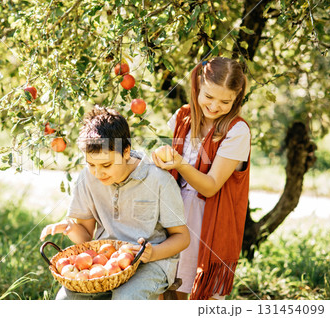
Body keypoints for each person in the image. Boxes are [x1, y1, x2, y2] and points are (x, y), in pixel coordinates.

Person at [40, 106, 190, 300]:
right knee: (66, 300)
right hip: (105, 260)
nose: (98, 173)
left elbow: (182, 237)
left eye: (106, 165)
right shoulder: (88, 177)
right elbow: (86, 239)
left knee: (125, 299)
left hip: (151, 263)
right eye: (91, 164)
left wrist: (152, 254)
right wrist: (70, 228)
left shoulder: (159, 180)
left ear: (126, 152)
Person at [152, 57, 251, 300]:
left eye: (225, 101)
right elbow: (166, 166)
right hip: (172, 214)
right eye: (209, 96)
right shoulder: (182, 117)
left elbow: (211, 186)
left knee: (200, 294)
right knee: (167, 289)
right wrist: (159, 157)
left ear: (236, 98)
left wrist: (180, 163)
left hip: (207, 220)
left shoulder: (237, 131)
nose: (215, 106)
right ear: (197, 85)